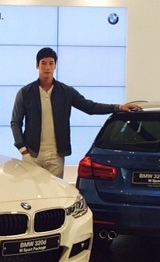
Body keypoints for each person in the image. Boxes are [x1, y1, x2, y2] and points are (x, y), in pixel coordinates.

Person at [10, 47, 141, 179]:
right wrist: (23, 150)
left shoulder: (66, 92)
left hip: (56, 155)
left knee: (55, 189)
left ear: (55, 66)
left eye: (51, 63)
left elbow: (90, 107)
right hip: (32, 154)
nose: (47, 67)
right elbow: (15, 122)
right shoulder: (25, 92)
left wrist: (118, 107)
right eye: (43, 63)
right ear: (37, 65)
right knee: (31, 190)